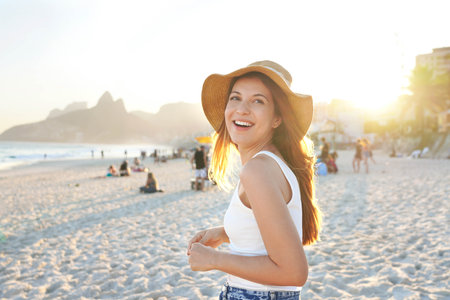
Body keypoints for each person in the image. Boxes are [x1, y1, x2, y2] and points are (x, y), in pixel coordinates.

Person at [187, 61, 321, 298]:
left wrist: (214, 259)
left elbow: (293, 272)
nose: (241, 109)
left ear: (277, 118)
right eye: (235, 98)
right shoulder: (272, 163)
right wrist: (226, 232)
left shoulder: (257, 170)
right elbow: (271, 231)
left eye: (258, 101)